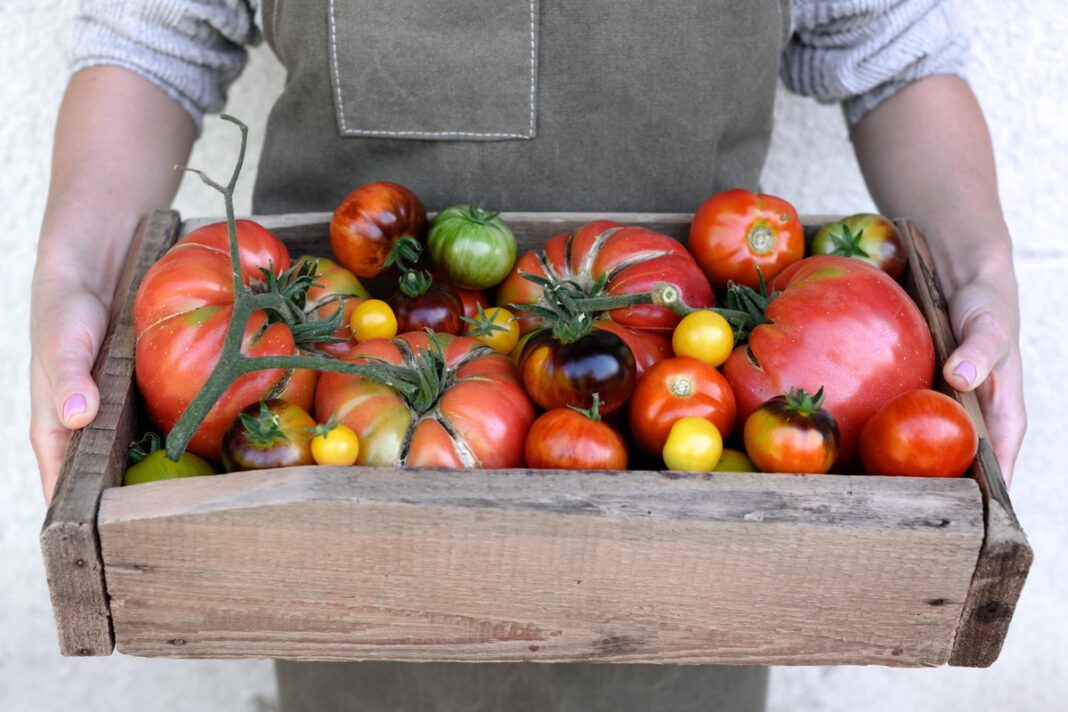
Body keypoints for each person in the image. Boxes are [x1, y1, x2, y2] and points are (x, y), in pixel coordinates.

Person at [31, 1, 1026, 710]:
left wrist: (979, 265)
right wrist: (71, 272)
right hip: (344, 508)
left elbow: (893, 46)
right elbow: (153, 34)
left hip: (696, 546)